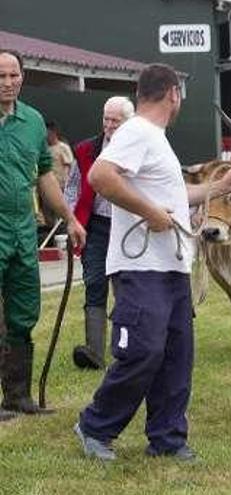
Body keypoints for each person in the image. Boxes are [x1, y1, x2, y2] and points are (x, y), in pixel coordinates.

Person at [73, 63, 231, 462]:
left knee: (175, 356)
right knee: (144, 351)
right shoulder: (136, 132)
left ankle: (167, 438)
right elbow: (100, 176)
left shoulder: (156, 139)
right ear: (173, 94)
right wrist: (149, 211)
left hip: (170, 266)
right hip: (141, 268)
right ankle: (95, 425)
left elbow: (174, 194)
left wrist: (223, 186)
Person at [0, 49, 86, 422]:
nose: (8, 83)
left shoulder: (33, 121)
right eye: (1, 76)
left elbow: (45, 177)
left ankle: (17, 396)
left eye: (13, 75)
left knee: (23, 312)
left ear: (23, 76)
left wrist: (69, 217)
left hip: (22, 231)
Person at [64, 96, 135, 370]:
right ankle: (94, 351)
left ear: (128, 122)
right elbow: (72, 187)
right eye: (106, 119)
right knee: (94, 283)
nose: (109, 125)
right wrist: (72, 218)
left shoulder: (138, 151)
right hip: (95, 227)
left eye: (115, 120)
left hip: (127, 227)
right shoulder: (85, 150)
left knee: (123, 286)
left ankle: (123, 347)